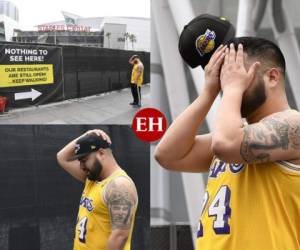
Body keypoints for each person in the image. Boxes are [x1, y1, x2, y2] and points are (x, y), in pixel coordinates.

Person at [155, 37, 300, 249]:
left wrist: (232, 89)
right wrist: (208, 93)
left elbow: (226, 144)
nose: (230, 82)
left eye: (238, 73)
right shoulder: (234, 134)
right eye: (227, 76)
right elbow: (168, 155)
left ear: (272, 77)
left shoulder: (293, 125)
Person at [57, 129, 138, 250]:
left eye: (84, 160)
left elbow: (120, 236)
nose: (81, 166)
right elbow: (61, 157)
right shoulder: (92, 178)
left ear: (101, 153)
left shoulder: (119, 185)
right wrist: (88, 134)